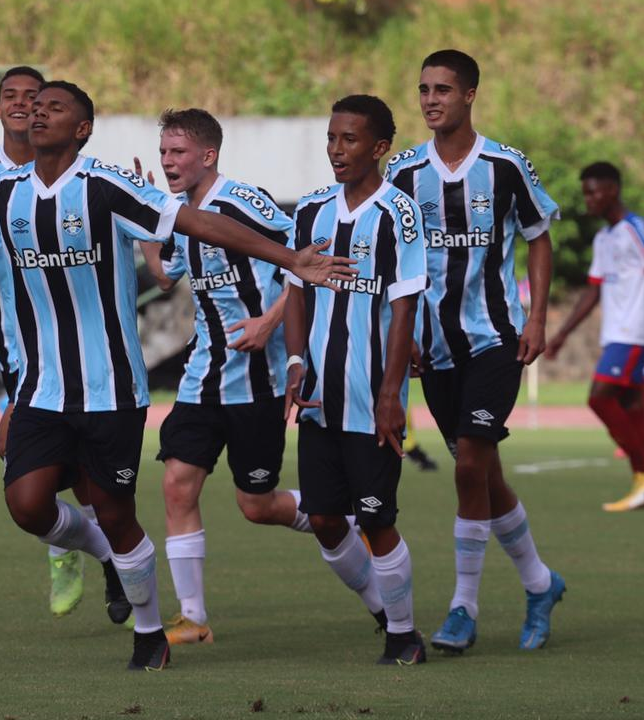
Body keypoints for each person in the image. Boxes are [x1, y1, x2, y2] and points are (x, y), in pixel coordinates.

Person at [0, 80, 356, 671]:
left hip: (110, 390)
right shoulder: (4, 194)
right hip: (41, 387)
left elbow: (194, 222)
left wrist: (288, 259)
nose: (38, 112)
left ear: (82, 129)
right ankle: (103, 554)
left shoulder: (104, 186)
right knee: (26, 503)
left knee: (119, 510)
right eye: (35, 106)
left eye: (54, 108)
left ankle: (151, 630)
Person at [384, 49, 565, 653]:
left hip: (495, 340)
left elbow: (539, 237)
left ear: (469, 96)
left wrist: (536, 316)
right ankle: (540, 583)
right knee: (484, 472)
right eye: (423, 89)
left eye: (443, 89)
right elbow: (395, 259)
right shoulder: (405, 174)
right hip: (433, 349)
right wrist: (400, 332)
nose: (431, 99)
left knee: (467, 465)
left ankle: (463, 606)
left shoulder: (505, 165)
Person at [0, 65, 120, 622]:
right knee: (24, 454)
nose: (22, 105)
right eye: (9, 96)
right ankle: (87, 552)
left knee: (67, 466)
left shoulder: (81, 176)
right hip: (15, 341)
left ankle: (99, 557)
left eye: (33, 97)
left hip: (76, 341)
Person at [133, 108, 329, 647]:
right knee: (176, 483)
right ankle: (193, 618)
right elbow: (164, 272)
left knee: (256, 505)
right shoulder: (175, 209)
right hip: (204, 374)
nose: (168, 162)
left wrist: (270, 321)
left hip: (258, 382)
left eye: (178, 153)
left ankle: (332, 517)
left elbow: (306, 262)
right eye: (164, 152)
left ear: (208, 155)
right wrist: (148, 221)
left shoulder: (243, 201)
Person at [285, 94, 429, 665]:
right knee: (323, 518)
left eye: (348, 140)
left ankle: (404, 635)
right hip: (321, 394)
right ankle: (382, 608)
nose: (336, 150)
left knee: (375, 517)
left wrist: (392, 395)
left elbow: (403, 309)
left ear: (379, 147)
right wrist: (295, 362)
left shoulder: (400, 214)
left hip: (372, 397)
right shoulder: (311, 210)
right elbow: (295, 289)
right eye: (331, 138)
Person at [547, 161, 644, 511]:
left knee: (599, 396)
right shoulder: (603, 238)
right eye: (585, 193)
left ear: (613, 190)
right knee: (632, 401)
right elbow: (593, 291)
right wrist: (561, 334)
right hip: (616, 332)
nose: (588, 199)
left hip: (636, 330)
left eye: (594, 192)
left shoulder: (636, 228)